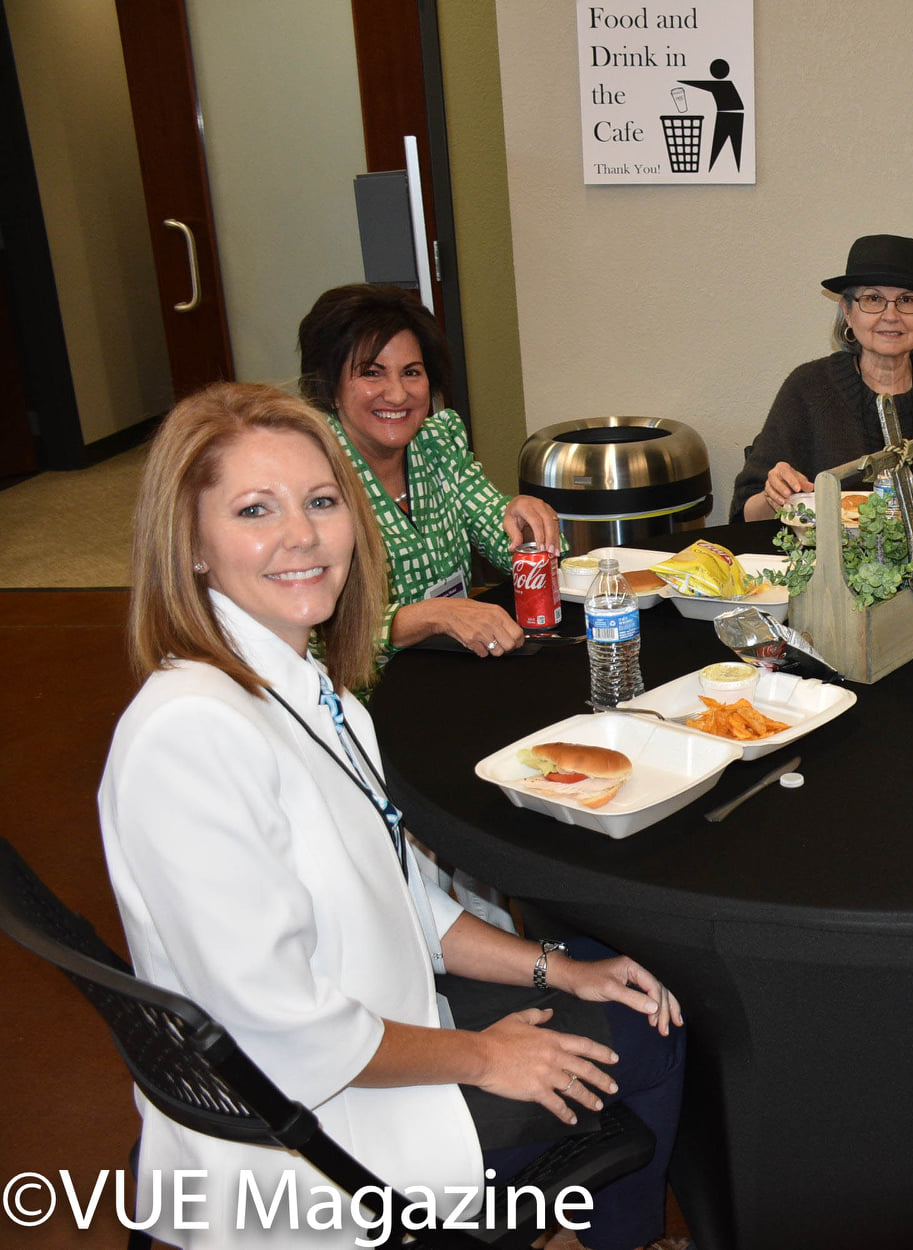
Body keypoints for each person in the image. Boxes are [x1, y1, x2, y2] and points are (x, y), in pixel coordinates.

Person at [98, 383, 686, 1249]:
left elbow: (410, 905)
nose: (302, 535)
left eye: (321, 501)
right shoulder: (188, 735)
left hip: (379, 1035)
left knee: (614, 981)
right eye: (256, 509)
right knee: (652, 1043)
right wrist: (485, 1056)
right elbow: (283, 1032)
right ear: (189, 545)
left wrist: (559, 972)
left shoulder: (316, 695)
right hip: (315, 1139)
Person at [299, 283, 559, 661]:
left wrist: (526, 525)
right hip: (361, 690)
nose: (397, 394)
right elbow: (313, 630)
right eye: (372, 373)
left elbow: (499, 531)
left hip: (453, 669)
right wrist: (431, 616)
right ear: (330, 388)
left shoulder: (437, 442)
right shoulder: (308, 473)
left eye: (411, 372)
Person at [731, 234, 913, 521]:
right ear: (847, 311)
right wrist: (774, 495)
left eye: (907, 300)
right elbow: (745, 515)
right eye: (873, 299)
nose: (891, 315)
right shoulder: (808, 388)